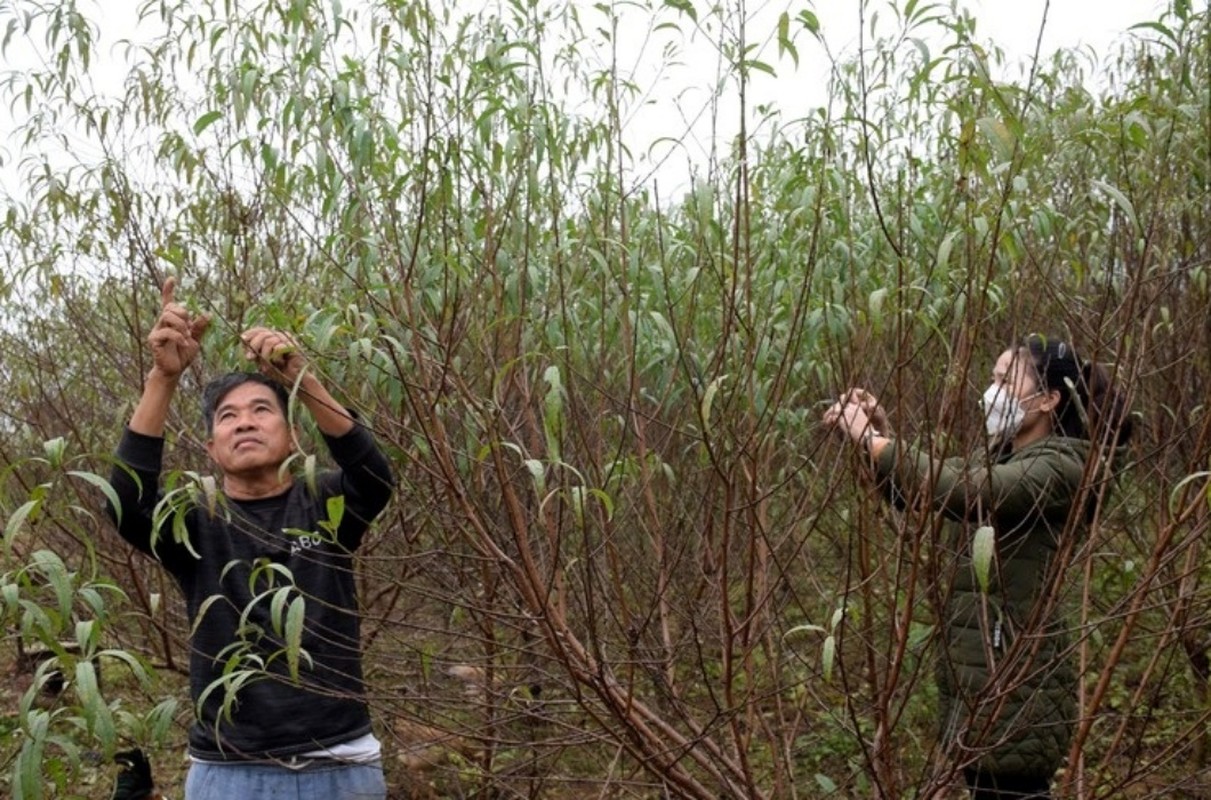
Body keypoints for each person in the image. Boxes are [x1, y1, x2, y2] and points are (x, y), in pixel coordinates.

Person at [107, 278, 395, 799]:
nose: (245, 423)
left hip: (342, 763)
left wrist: (300, 378)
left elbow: (374, 476)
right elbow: (126, 505)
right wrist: (162, 378)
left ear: (291, 434)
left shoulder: (325, 502)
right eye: (228, 417)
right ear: (211, 448)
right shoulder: (193, 522)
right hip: (229, 771)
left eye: (262, 410)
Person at [823, 334, 1133, 800]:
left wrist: (873, 440)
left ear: (1049, 399)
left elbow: (969, 491)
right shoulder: (1004, 457)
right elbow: (922, 491)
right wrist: (876, 431)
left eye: (1006, 380)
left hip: (1020, 678)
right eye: (992, 378)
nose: (991, 391)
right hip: (987, 671)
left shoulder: (1067, 467)